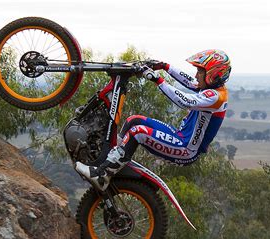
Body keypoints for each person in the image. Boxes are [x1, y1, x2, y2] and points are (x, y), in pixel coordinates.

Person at [76, 49, 231, 191]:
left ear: (213, 74)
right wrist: (164, 66)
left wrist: (157, 79)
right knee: (134, 120)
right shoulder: (211, 89)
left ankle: (102, 175)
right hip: (180, 136)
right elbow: (190, 82)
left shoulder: (216, 97)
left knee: (138, 132)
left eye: (200, 71)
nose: (197, 75)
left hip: (186, 150)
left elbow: (184, 101)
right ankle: (110, 159)